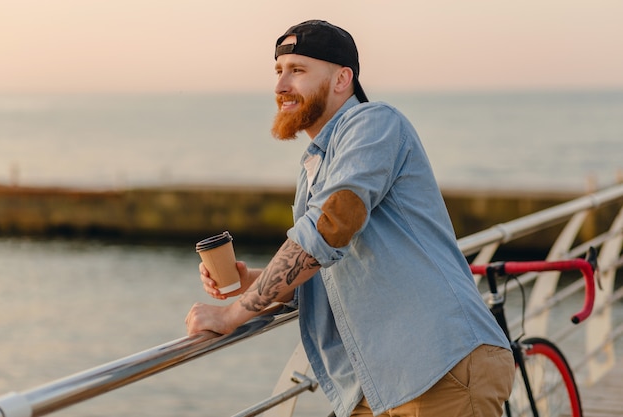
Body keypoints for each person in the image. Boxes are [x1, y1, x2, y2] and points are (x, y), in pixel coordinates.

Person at [185, 19, 514, 417]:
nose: (280, 86)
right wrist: (250, 281)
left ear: (342, 78)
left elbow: (331, 226)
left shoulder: (374, 123)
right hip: (377, 387)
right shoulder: (316, 164)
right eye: (278, 71)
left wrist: (232, 316)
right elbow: (328, 271)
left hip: (439, 370)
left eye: (298, 70)